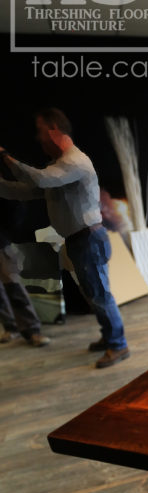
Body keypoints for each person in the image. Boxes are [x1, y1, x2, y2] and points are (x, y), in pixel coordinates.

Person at [0, 108, 129, 367]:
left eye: (40, 131)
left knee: (100, 296)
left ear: (54, 131)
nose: (38, 138)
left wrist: (4, 157)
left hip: (89, 240)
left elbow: (39, 180)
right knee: (95, 294)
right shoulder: (59, 168)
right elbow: (28, 191)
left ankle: (119, 345)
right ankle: (109, 338)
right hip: (81, 241)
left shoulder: (74, 163)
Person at [0, 198, 50, 347]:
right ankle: (10, 327)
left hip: (1, 243)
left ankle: (32, 330)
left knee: (14, 287)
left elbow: (15, 206)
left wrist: (7, 231)